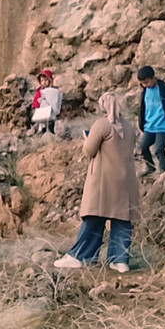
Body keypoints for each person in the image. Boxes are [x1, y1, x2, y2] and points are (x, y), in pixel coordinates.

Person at [54, 92, 141, 273]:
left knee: (94, 216)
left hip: (104, 179)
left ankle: (80, 256)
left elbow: (89, 151)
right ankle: (119, 260)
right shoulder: (129, 127)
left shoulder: (102, 124)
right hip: (126, 180)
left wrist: (86, 140)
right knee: (122, 218)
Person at [137, 66, 165, 175]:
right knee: (143, 147)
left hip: (163, 126)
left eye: (147, 82)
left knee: (159, 149)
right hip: (149, 126)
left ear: (153, 78)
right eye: (143, 83)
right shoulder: (144, 92)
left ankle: (164, 173)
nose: (145, 85)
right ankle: (150, 167)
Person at [29, 69, 63, 135]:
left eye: (45, 80)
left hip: (51, 111)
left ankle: (51, 133)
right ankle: (44, 133)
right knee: (43, 124)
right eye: (42, 81)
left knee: (51, 123)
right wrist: (35, 107)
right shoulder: (39, 91)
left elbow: (56, 100)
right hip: (42, 110)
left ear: (50, 80)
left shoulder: (54, 90)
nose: (44, 82)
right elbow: (36, 100)